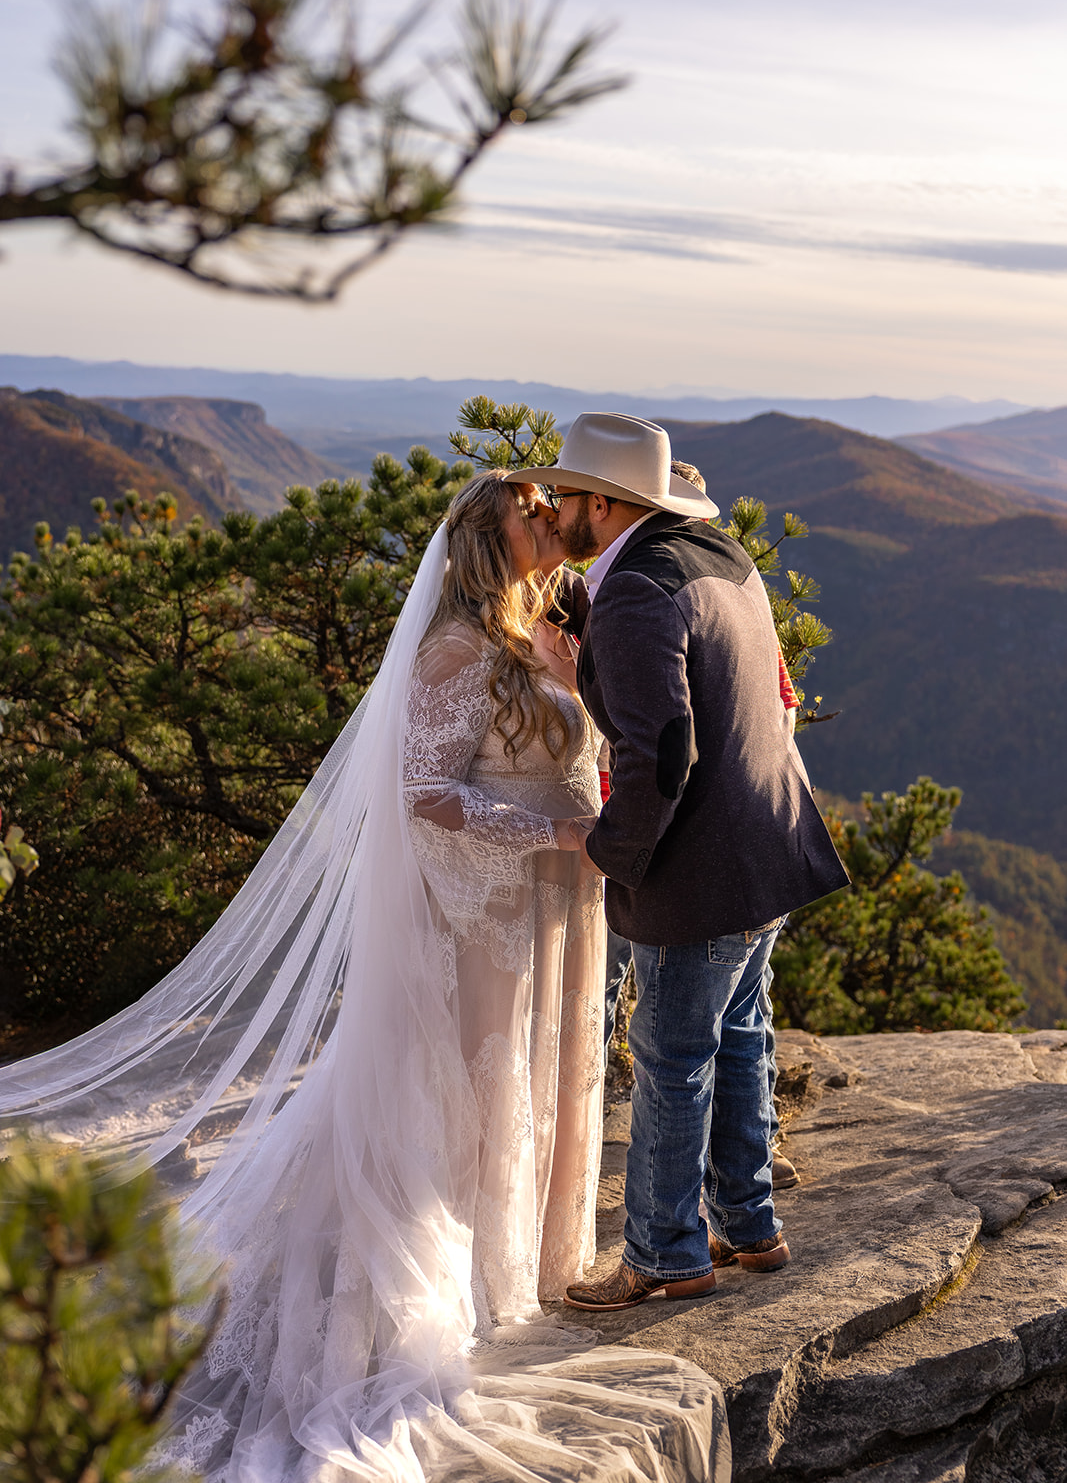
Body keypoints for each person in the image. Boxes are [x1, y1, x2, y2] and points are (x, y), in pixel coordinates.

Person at [0, 470, 729, 1480]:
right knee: (479, 1088)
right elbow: (425, 796)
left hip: (562, 899)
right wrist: (553, 829)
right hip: (495, 904)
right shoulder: (451, 648)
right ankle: (461, 1273)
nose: (549, 518)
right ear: (486, 538)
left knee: (541, 1074)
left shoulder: (544, 633)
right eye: (529, 510)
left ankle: (530, 1260)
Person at [518, 413, 849, 1312]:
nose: (553, 509)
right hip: (768, 847)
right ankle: (748, 1224)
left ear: (600, 502)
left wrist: (607, 853)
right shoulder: (717, 555)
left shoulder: (632, 595)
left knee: (670, 1054)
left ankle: (665, 1254)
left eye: (563, 495)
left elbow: (661, 753)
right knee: (739, 1035)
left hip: (699, 871)